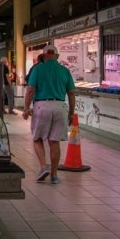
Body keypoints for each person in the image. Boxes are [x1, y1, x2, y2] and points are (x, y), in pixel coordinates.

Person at [22, 44, 76, 185]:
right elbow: (71, 93)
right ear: (57, 56)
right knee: (54, 141)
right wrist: (71, 113)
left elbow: (30, 90)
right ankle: (54, 175)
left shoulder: (38, 69)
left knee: (37, 138)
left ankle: (43, 166)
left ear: (44, 56)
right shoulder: (65, 71)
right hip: (60, 107)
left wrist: (26, 108)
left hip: (42, 106)